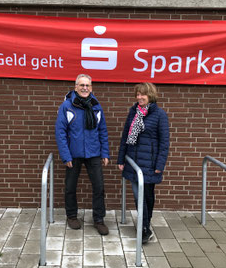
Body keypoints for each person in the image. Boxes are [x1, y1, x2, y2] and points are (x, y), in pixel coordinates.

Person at [55, 73, 110, 235]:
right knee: (70, 187)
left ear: (91, 88)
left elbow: (103, 131)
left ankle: (99, 219)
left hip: (94, 153)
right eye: (82, 85)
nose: (85, 88)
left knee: (99, 187)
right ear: (76, 87)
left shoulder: (96, 106)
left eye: (87, 85)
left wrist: (105, 153)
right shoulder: (67, 106)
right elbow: (60, 132)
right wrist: (66, 155)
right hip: (74, 154)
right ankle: (72, 216)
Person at [117, 82, 170, 243]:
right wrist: (121, 159)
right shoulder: (133, 112)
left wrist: (160, 165)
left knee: (147, 196)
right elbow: (125, 136)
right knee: (138, 194)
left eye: (143, 94)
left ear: (150, 96)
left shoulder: (160, 115)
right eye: (138, 94)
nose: (139, 97)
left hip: (150, 163)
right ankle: (145, 229)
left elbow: (164, 143)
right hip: (133, 162)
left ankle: (145, 222)